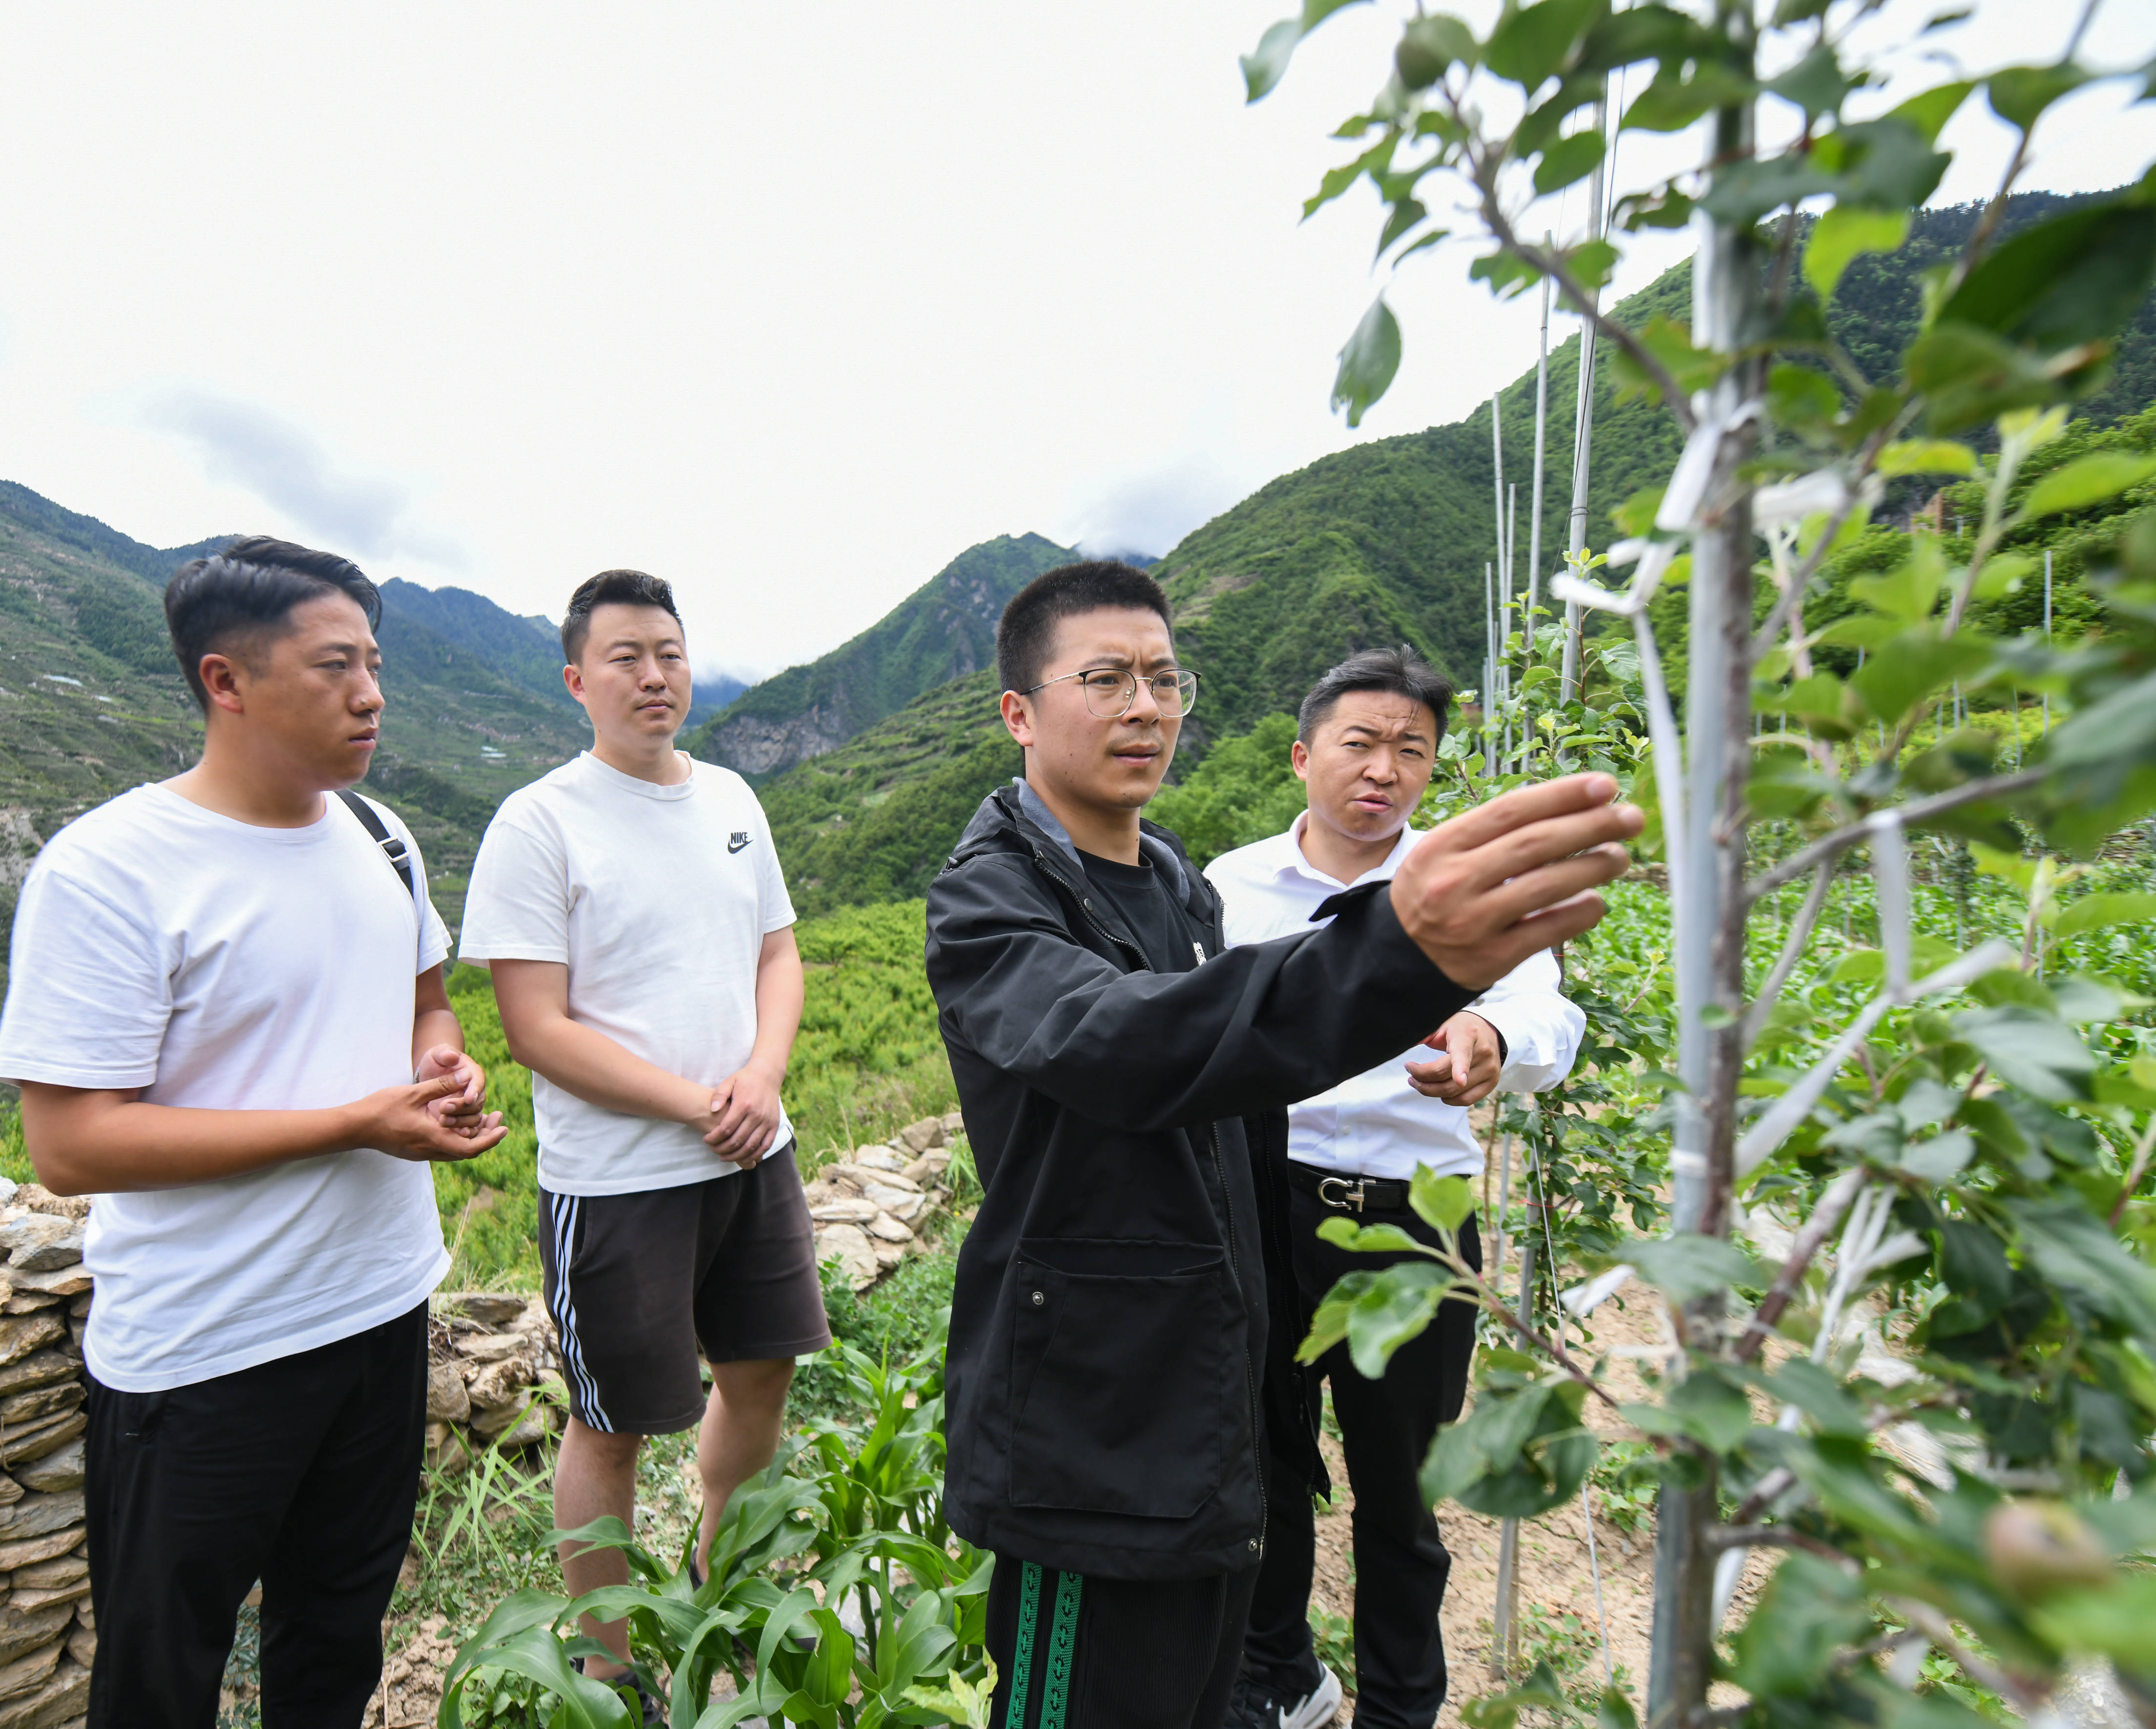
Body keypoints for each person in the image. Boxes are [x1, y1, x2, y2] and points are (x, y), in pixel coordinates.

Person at [924, 562, 1636, 1729]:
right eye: (1103, 677)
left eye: (1163, 677)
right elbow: (1130, 1043)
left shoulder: (1165, 882)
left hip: (1211, 1367)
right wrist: (1399, 948)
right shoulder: (990, 899)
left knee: (1220, 1670)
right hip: (1094, 1408)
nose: (1143, 705)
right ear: (1018, 710)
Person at [0, 537, 506, 1728]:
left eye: (374, 662)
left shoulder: (379, 834)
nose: (371, 693)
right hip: (206, 1346)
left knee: (336, 1635)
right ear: (226, 680)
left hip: (378, 1306)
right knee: (164, 1667)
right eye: (335, 666)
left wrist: (435, 1057)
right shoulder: (112, 869)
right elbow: (71, 1145)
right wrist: (350, 1124)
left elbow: (425, 994)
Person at [457, 568, 826, 1719]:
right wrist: (690, 1101)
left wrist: (760, 1076)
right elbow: (537, 1027)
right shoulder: (539, 820)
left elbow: (780, 953)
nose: (654, 672)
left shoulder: (728, 795)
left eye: (668, 650)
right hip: (619, 1180)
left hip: (752, 1150)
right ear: (578, 680)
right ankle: (613, 1659)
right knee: (611, 1420)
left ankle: (724, 1575)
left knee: (761, 1369)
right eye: (625, 655)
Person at [1206, 647, 1585, 1729]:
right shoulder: (1227, 887)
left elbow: (1547, 1014)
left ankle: (1401, 1704)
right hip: (1266, 1201)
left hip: (1414, 1220)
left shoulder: (1469, 885)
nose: (1382, 769)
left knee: (1400, 1484)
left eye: (1409, 749)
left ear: (1430, 768)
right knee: (1262, 1455)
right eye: (1359, 742)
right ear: (1302, 753)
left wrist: (1487, 1029)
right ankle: (1279, 1672)